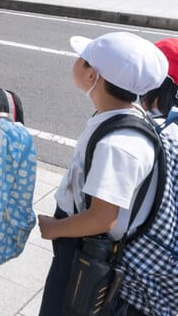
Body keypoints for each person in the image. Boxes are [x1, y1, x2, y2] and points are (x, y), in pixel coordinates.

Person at [37, 32, 167, 316]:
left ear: (92, 75)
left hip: (87, 249)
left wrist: (54, 229)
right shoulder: (124, 115)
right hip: (85, 240)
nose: (76, 62)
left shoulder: (118, 146)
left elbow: (102, 217)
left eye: (81, 60)